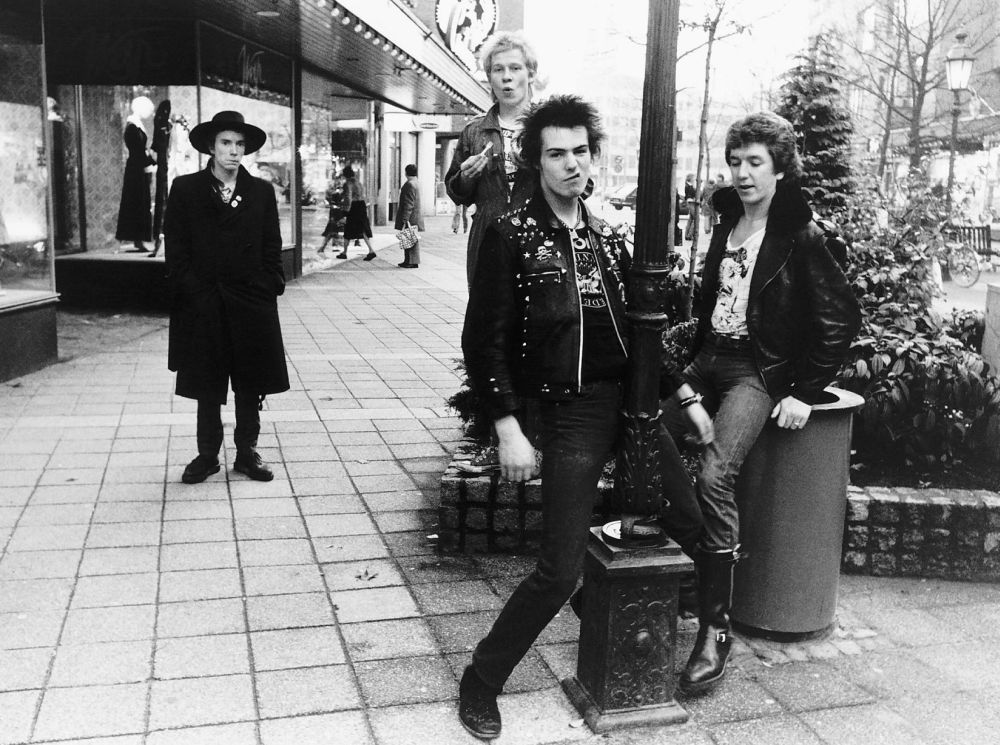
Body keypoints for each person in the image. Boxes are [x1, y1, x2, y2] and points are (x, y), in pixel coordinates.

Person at [456, 94, 710, 740]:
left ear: (593, 156)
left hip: (630, 404)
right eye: (556, 154)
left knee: (689, 520)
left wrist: (682, 394)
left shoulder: (606, 235)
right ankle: (482, 678)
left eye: (580, 151)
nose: (571, 164)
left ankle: (615, 615)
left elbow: (640, 330)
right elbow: (483, 342)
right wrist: (507, 426)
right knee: (558, 569)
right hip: (570, 414)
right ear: (536, 163)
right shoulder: (513, 236)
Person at [660, 112, 862, 695]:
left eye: (755, 162)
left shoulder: (801, 233)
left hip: (757, 369)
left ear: (779, 168)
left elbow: (840, 318)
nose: (743, 173)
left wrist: (803, 391)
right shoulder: (727, 219)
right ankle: (697, 571)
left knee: (714, 474)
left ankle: (715, 627)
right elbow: (712, 302)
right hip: (708, 358)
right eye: (736, 162)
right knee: (643, 429)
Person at [164, 110, 289, 485]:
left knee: (251, 383)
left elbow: (271, 246)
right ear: (211, 146)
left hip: (251, 303)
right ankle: (206, 456)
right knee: (207, 384)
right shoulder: (186, 189)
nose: (234, 151)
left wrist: (270, 283)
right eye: (226, 143)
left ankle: (247, 453)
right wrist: (193, 290)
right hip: (205, 303)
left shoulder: (260, 191)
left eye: (239, 144)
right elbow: (176, 250)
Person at [445, 30, 538, 285]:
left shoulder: (549, 128)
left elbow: (581, 186)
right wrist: (466, 177)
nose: (507, 76)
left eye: (515, 68)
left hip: (540, 241)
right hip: (487, 240)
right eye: (498, 69)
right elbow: (456, 192)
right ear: (489, 78)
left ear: (531, 74)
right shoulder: (474, 131)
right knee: (487, 308)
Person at [115, 95, 156, 252]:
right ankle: (137, 239)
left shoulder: (135, 125)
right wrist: (150, 163)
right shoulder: (132, 127)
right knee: (137, 202)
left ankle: (139, 239)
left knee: (140, 202)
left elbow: (141, 150)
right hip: (136, 169)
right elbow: (138, 150)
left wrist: (151, 162)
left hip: (137, 167)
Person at [147, 99, 172, 258]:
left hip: (167, 167)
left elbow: (156, 147)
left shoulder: (164, 125)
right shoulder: (163, 125)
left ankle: (161, 242)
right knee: (163, 201)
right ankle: (160, 242)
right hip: (165, 168)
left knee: (164, 201)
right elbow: (157, 147)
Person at [337, 165, 376, 261]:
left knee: (348, 229)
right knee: (362, 229)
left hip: (353, 206)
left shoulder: (348, 183)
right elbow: (363, 195)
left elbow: (348, 197)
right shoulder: (358, 182)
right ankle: (371, 250)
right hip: (361, 205)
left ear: (345, 174)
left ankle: (344, 253)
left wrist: (345, 211)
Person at [394, 163, 425, 268]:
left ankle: (411, 261)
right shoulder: (417, 183)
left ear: (406, 172)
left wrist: (405, 218)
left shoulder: (409, 184)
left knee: (410, 239)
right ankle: (410, 260)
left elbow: (408, 203)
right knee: (411, 239)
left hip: (410, 217)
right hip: (416, 216)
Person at [317, 177, 345, 254]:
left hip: (335, 217)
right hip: (335, 217)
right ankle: (325, 247)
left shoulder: (337, 195)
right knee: (331, 233)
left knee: (331, 233)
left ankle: (325, 247)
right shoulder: (337, 195)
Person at [683, 172, 698, 241]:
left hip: (691, 202)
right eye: (693, 178)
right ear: (690, 178)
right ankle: (690, 235)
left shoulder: (689, 185)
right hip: (691, 202)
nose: (694, 179)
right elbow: (690, 195)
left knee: (691, 219)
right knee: (695, 219)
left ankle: (687, 235)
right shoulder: (688, 186)